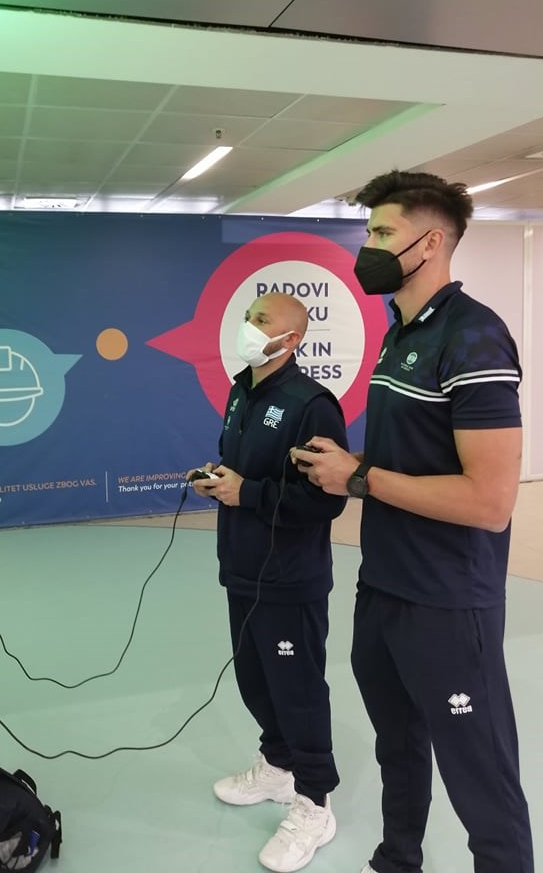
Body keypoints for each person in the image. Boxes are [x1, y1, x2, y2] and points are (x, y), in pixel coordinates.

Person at [293, 169, 534, 873]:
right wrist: (351, 462)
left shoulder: (474, 337)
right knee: (397, 748)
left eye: (381, 232)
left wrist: (359, 477)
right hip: (385, 585)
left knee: (482, 778)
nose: (367, 246)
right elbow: (416, 456)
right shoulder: (400, 333)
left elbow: (490, 502)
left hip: (448, 601)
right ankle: (396, 860)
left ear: (430, 243)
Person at [188, 291, 348, 873]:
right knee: (255, 680)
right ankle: (278, 766)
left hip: (289, 576)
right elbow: (243, 468)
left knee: (297, 688)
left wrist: (247, 493)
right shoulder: (241, 390)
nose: (248, 326)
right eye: (247, 317)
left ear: (292, 339)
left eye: (261, 320)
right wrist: (220, 480)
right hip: (242, 565)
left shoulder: (312, 405)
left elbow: (326, 500)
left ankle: (315, 802)